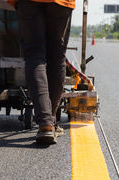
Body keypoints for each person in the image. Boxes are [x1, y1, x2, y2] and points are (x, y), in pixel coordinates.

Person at [14, 0, 75, 144]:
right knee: (57, 57)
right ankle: (49, 122)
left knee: (35, 56)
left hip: (29, 3)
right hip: (61, 3)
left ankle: (46, 124)